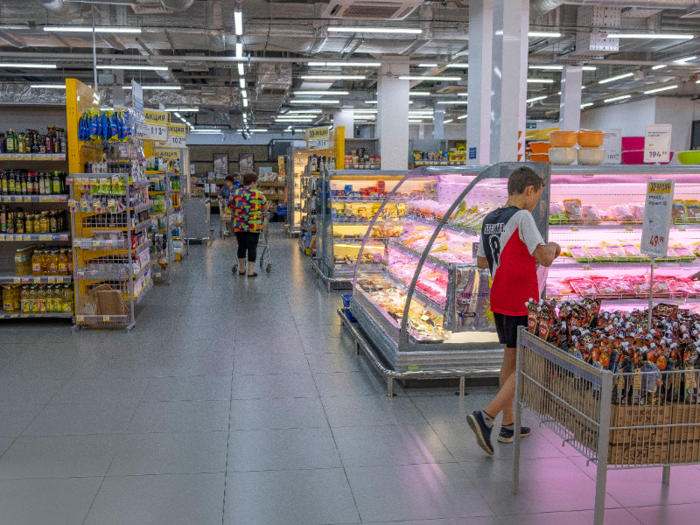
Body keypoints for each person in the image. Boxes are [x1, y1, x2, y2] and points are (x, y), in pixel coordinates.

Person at [467, 166, 561, 455]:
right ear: (529, 190)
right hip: (523, 300)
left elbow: (482, 263)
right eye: (538, 196)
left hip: (500, 298)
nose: (537, 203)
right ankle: (487, 416)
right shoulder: (523, 217)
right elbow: (543, 258)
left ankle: (509, 424)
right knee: (526, 364)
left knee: (509, 360)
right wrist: (555, 248)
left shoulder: (490, 218)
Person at [228, 172, 268, 277]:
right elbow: (265, 208)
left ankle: (242, 269)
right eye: (256, 183)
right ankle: (251, 271)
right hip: (254, 225)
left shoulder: (236, 193)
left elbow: (230, 207)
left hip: (239, 225)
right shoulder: (259, 194)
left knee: (241, 246)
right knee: (252, 247)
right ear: (253, 183)